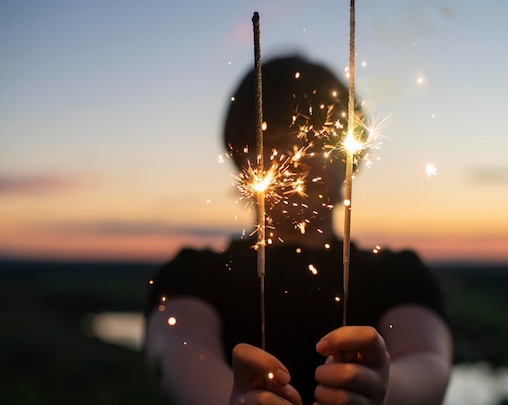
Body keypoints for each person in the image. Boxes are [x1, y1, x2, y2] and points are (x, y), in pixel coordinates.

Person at [145, 55, 452, 405]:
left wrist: (384, 389)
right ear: (242, 157)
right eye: (276, 135)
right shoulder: (191, 275)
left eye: (320, 138)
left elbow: (429, 363)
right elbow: (178, 356)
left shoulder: (399, 275)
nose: (301, 156)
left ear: (353, 159)